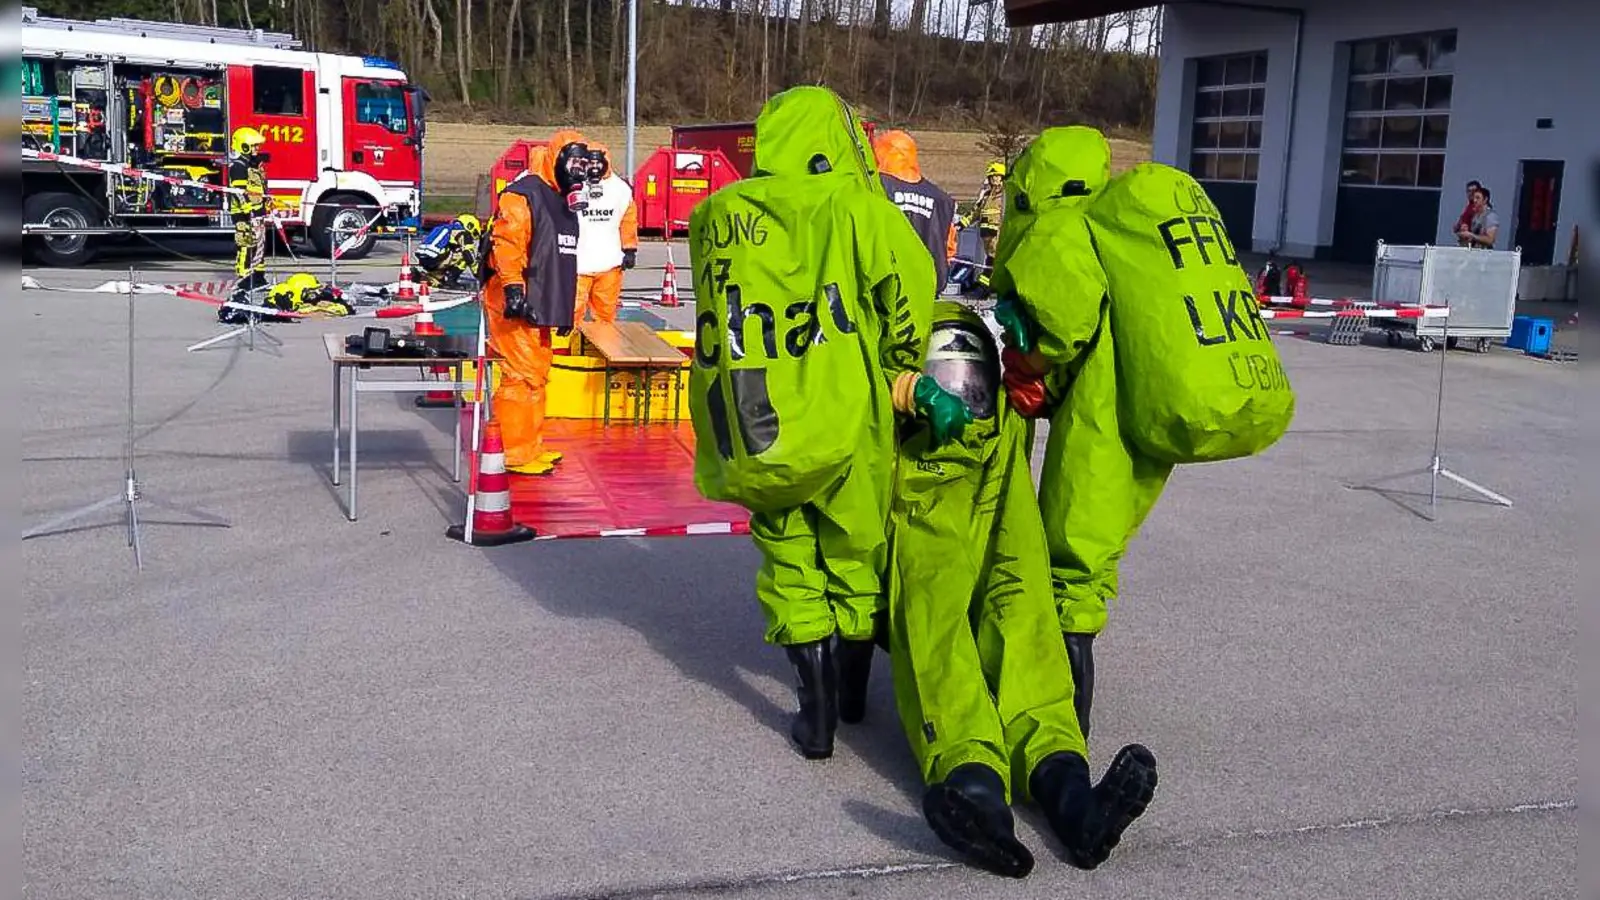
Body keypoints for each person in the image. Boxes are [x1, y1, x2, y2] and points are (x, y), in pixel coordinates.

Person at [688, 86, 969, 761]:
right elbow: (908, 296)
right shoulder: (859, 210)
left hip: (756, 425)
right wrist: (901, 376)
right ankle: (848, 698)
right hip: (846, 416)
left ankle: (814, 721)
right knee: (853, 556)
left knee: (788, 560)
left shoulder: (713, 214)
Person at [992, 128, 1293, 736]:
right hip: (1151, 411)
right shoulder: (1118, 227)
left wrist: (1030, 369)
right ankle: (1056, 713)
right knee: (1096, 561)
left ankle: (1059, 728)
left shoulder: (1060, 228)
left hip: (1104, 420)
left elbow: (1066, 324)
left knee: (1071, 569)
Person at [889, 301, 1159, 878]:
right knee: (940, 637)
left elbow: (1062, 381)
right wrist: (909, 392)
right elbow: (859, 384)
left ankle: (1073, 799)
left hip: (998, 490)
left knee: (1027, 628)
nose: (964, 391)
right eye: (949, 378)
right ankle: (977, 790)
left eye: (972, 377)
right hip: (924, 497)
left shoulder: (1008, 413)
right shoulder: (903, 386)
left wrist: (1037, 353)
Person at [481, 130, 595, 475]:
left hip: (542, 301)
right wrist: (514, 291)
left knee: (538, 374)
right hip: (513, 300)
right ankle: (514, 451)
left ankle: (530, 445)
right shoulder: (524, 195)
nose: (578, 171)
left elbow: (562, 259)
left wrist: (564, 309)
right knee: (520, 376)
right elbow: (507, 245)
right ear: (556, 159)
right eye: (573, 162)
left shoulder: (561, 200)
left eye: (583, 164)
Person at [872, 129, 958, 295]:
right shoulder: (941, 200)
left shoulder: (875, 190)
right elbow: (950, 247)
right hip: (928, 287)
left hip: (884, 286)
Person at [573, 142, 639, 328]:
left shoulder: (620, 189)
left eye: (598, 163)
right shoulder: (572, 185)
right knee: (569, 313)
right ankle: (564, 352)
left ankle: (602, 350)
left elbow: (628, 220)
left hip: (609, 262)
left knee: (605, 314)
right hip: (577, 262)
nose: (594, 168)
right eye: (590, 163)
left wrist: (630, 249)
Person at [221, 126, 269, 323]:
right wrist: (249, 209)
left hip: (257, 213)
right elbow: (240, 192)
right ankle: (243, 279)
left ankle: (258, 276)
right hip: (244, 214)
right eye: (254, 146)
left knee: (259, 246)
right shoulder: (239, 167)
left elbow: (259, 187)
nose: (257, 149)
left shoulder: (253, 165)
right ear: (244, 146)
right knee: (245, 245)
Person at [415, 213, 484, 288]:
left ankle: (433, 277)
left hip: (423, 258)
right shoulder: (462, 232)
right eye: (474, 233)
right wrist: (478, 273)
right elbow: (468, 254)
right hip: (435, 258)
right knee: (464, 255)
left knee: (452, 251)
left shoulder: (442, 227)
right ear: (469, 226)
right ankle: (451, 280)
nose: (473, 237)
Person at [1457, 184, 1499, 249]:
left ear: (1485, 200)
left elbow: (1490, 240)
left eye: (1478, 198)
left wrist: (1472, 235)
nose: (1475, 200)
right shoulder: (1475, 215)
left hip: (1485, 254)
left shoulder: (1491, 216)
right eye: (1474, 198)